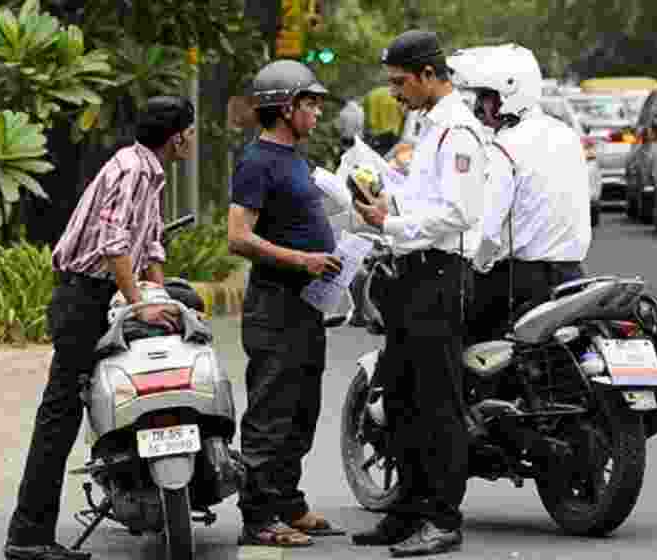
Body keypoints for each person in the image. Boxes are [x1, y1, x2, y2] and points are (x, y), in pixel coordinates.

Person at [3, 96, 196, 560]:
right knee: (60, 415)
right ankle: (28, 536)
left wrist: (157, 295)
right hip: (82, 297)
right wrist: (139, 306)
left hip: (93, 295)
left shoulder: (148, 170)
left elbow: (149, 243)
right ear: (177, 138)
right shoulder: (132, 169)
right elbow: (114, 242)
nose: (191, 139)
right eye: (189, 132)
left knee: (92, 397)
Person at [351, 29, 487, 558]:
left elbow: (459, 213)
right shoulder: (429, 127)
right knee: (402, 397)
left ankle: (442, 518)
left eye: (400, 81)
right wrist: (385, 195)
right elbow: (422, 196)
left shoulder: (459, 132)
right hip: (409, 275)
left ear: (429, 75)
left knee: (438, 402)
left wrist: (392, 223)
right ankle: (405, 512)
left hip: (438, 275)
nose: (394, 92)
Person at [227, 59, 346, 548]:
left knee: (302, 409)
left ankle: (288, 503)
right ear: (283, 107)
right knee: (270, 413)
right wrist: (303, 260)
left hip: (306, 308)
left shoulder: (296, 159)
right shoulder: (257, 160)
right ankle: (258, 516)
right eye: (309, 103)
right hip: (274, 306)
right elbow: (237, 237)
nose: (317, 112)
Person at [450, 44, 592, 345]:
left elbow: (488, 232)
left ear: (507, 95)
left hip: (520, 280)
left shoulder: (505, 147)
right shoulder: (565, 135)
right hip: (573, 275)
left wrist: (474, 265)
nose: (478, 106)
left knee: (460, 346)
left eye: (485, 96)